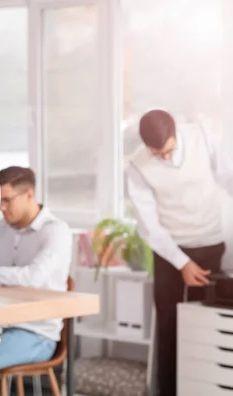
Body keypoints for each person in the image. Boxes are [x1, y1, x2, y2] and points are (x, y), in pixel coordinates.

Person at [126, 109, 233, 395]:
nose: (165, 159)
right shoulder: (137, 165)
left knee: (206, 323)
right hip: (169, 250)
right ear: (145, 145)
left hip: (210, 242)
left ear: (176, 134)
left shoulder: (202, 136)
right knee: (169, 325)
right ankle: (169, 391)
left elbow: (227, 177)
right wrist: (182, 262)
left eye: (169, 151)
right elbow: (149, 226)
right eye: (156, 154)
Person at [0, 166, 72, 373]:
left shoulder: (56, 231)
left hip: (36, 333)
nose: (1, 207)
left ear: (29, 195)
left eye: (7, 200)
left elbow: (33, 277)